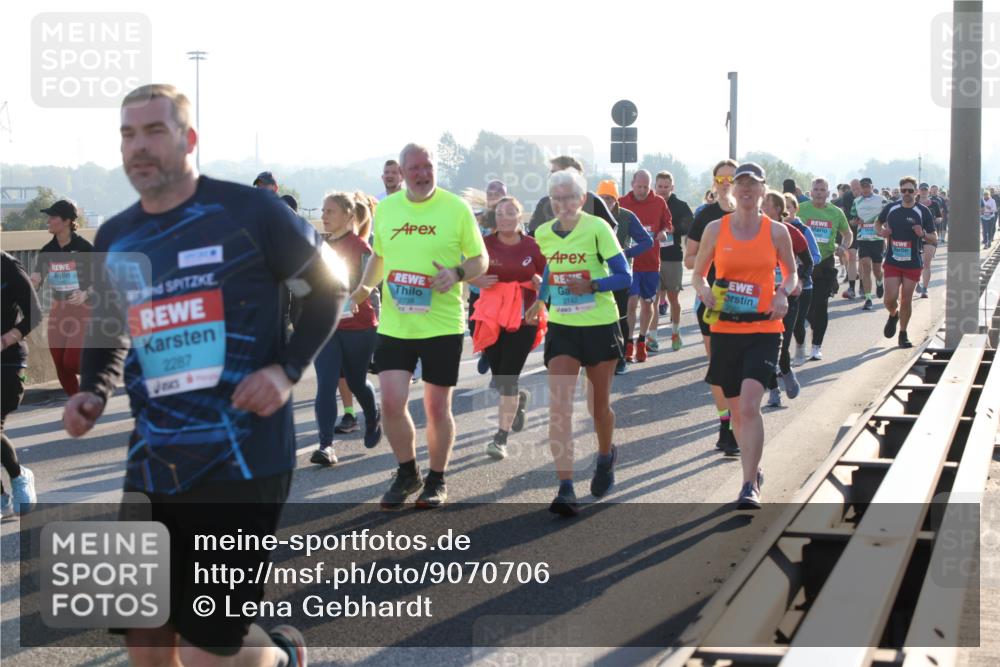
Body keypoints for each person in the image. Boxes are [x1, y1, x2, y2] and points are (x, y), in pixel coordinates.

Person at [62, 84, 344, 667]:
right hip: (152, 458)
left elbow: (328, 289)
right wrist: (93, 391)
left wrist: (287, 369)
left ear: (189, 139)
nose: (138, 146)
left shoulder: (252, 213)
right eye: (127, 133)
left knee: (208, 648)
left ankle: (281, 654)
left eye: (154, 131)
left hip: (243, 457)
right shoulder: (115, 236)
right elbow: (108, 329)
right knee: (143, 635)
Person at [351, 142, 488, 510]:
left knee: (436, 407)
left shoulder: (455, 208)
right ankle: (407, 472)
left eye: (428, 167)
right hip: (396, 324)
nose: (422, 173)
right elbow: (379, 256)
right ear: (403, 170)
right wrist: (364, 288)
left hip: (441, 324)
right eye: (415, 168)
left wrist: (457, 273)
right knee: (392, 403)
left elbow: (480, 259)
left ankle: (437, 478)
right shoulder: (388, 210)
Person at [691, 162, 797, 509]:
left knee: (750, 406)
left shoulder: (776, 232)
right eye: (742, 185)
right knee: (737, 412)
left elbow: (791, 274)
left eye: (754, 185)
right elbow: (699, 273)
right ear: (733, 191)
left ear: (763, 191)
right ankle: (755, 466)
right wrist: (703, 289)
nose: (747, 190)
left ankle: (748, 484)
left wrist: (783, 292)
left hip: (764, 328)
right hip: (725, 327)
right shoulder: (715, 229)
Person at [526, 169, 631, 516]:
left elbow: (623, 275)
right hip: (563, 328)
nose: (563, 204)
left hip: (600, 325)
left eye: (570, 197)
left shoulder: (598, 228)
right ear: (549, 201)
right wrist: (541, 300)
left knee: (598, 407)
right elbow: (552, 273)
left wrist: (594, 286)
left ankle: (605, 456)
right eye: (557, 198)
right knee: (560, 409)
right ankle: (566, 487)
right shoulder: (543, 233)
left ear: (582, 199)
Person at [469, 196, 546, 459]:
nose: (506, 218)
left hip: (525, 317)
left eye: (512, 213)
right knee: (500, 377)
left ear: (520, 216)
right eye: (501, 214)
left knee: (507, 377)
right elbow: (466, 270)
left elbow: (550, 277)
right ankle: (518, 400)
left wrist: (539, 282)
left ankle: (500, 439)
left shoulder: (532, 246)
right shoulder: (484, 244)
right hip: (491, 315)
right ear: (495, 218)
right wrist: (477, 278)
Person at [309, 192, 382, 466]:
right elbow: (303, 284)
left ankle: (373, 415)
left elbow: (371, 285)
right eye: (324, 211)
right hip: (325, 327)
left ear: (348, 216)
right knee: (326, 384)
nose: (325, 216)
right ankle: (326, 446)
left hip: (358, 325)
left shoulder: (361, 248)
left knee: (355, 381)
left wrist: (354, 299)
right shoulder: (317, 246)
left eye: (331, 211)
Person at [685, 159, 740, 455]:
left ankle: (739, 421)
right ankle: (725, 425)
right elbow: (689, 259)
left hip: (749, 301)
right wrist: (714, 255)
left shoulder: (753, 215)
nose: (726, 184)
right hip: (714, 300)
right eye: (720, 180)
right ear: (714, 183)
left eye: (732, 179)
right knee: (720, 367)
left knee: (743, 369)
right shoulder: (705, 216)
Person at [31, 199, 94, 396]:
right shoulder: (47, 251)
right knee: (59, 362)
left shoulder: (85, 248)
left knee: (72, 362)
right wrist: (34, 280)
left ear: (67, 221)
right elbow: (37, 281)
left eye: (52, 217)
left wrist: (85, 293)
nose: (48, 221)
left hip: (84, 309)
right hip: (59, 308)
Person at [760, 191, 813, 408]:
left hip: (787, 296)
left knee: (781, 344)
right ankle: (773, 389)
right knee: (766, 346)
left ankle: (786, 369)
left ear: (778, 210)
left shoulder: (790, 232)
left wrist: (798, 280)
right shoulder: (753, 232)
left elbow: (808, 262)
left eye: (766, 205)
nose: (761, 208)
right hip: (762, 296)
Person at [595, 179, 652, 375]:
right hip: (596, 277)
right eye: (602, 198)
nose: (606, 202)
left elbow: (647, 241)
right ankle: (599, 357)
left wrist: (625, 254)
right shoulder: (588, 218)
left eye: (610, 198)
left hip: (620, 276)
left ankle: (620, 359)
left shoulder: (627, 217)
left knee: (619, 318)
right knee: (597, 319)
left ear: (616, 199)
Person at [1, 251, 42, 516]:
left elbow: (35, 314)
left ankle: (18, 476)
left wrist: (6, 340)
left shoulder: (7, 266)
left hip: (8, 359)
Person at [877, 176, 937, 348]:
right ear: (900, 190)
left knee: (906, 299)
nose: (907, 194)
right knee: (889, 299)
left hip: (912, 262)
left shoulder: (923, 211)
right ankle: (893, 314)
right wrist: (882, 231)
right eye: (904, 190)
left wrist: (923, 234)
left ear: (916, 192)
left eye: (911, 190)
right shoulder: (891, 208)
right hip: (892, 260)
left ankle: (903, 333)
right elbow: (877, 223)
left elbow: (934, 237)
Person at [619, 170, 672, 363]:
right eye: (639, 186)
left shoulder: (658, 202)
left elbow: (668, 224)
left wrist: (665, 232)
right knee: (631, 303)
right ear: (632, 184)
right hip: (630, 264)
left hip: (651, 262)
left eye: (645, 187)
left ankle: (642, 341)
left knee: (648, 304)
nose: (642, 190)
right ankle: (629, 343)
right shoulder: (621, 203)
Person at [799, 178, 852, 360]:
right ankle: (805, 340)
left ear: (828, 193)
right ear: (811, 192)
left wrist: (843, 247)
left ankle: (816, 346)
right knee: (805, 308)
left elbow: (848, 233)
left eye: (823, 190)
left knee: (821, 306)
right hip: (803, 264)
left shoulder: (836, 212)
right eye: (816, 189)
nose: (820, 193)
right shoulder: (801, 210)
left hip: (825, 263)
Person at [653, 171, 693, 352]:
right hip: (651, 258)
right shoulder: (650, 203)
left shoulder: (680, 205)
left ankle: (676, 333)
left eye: (666, 187)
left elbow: (689, 225)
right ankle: (651, 338)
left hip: (672, 258)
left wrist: (672, 228)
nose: (662, 190)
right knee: (651, 300)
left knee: (673, 298)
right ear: (655, 186)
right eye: (660, 186)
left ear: (672, 187)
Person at [527, 156, 617, 234]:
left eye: (555, 172)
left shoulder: (593, 201)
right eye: (551, 172)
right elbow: (532, 233)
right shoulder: (545, 202)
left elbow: (610, 230)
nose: (551, 176)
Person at [785, 194, 821, 370]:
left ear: (795, 209)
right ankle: (781, 359)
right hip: (779, 285)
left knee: (797, 322)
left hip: (803, 285)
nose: (785, 211)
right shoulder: (771, 230)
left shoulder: (804, 230)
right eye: (781, 207)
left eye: (788, 207)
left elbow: (815, 256)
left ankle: (800, 346)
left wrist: (799, 268)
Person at [851, 177, 886, 310]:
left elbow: (888, 216)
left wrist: (884, 232)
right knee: (865, 267)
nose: (865, 189)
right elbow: (852, 220)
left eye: (867, 186)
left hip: (877, 239)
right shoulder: (856, 201)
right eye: (863, 187)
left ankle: (879, 282)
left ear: (872, 187)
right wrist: (855, 222)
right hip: (863, 238)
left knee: (877, 270)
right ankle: (868, 298)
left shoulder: (881, 199)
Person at [916, 183, 943, 298]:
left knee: (926, 264)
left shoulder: (934, 204)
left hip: (930, 235)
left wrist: (938, 220)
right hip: (916, 235)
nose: (923, 191)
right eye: (922, 189)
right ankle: (916, 283)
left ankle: (925, 289)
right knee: (917, 264)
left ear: (928, 191)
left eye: (925, 190)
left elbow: (939, 216)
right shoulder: (914, 204)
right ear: (918, 191)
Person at [839, 180, 860, 299]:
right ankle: (852, 288)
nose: (856, 191)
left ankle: (863, 285)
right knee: (851, 257)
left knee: (864, 261)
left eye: (858, 188)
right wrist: (851, 221)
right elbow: (845, 215)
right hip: (852, 230)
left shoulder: (869, 197)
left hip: (866, 232)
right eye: (853, 189)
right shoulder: (847, 197)